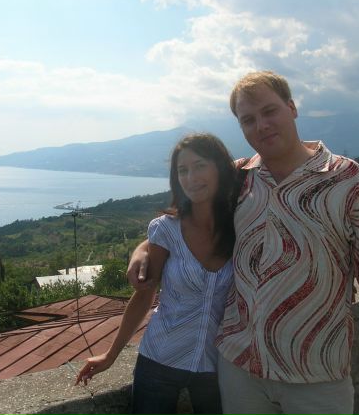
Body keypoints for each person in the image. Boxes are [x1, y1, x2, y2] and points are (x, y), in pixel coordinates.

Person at [128, 71, 359, 415]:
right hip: (240, 368)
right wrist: (143, 249)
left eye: (269, 111)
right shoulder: (238, 178)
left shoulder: (347, 179)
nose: (261, 125)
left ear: (292, 108)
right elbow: (185, 219)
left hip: (316, 371)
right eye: (248, 120)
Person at [76, 133, 239, 415]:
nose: (191, 177)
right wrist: (111, 355)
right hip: (159, 361)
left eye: (200, 166)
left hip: (216, 366)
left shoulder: (242, 225)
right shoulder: (166, 229)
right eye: (182, 170)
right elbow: (143, 296)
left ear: (220, 168)